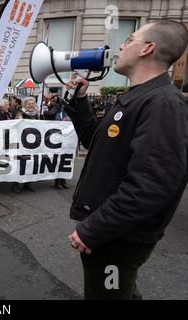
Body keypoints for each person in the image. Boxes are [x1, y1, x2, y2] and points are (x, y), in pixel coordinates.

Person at [63, 20, 188, 300]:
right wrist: (80, 102)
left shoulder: (164, 105)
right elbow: (98, 143)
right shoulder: (139, 99)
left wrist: (94, 228)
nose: (121, 45)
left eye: (129, 39)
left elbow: (151, 185)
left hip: (119, 237)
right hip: (114, 233)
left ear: (148, 49)